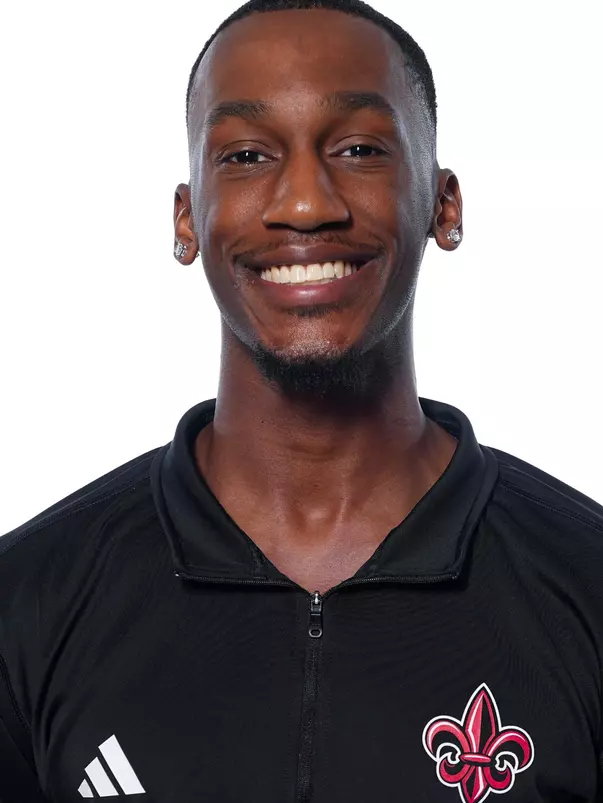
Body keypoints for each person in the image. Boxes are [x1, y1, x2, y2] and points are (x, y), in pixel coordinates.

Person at [1, 0, 602, 801]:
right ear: (186, 219)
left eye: (358, 149)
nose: (306, 204)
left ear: (443, 205)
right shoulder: (28, 601)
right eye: (246, 155)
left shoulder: (583, 582)